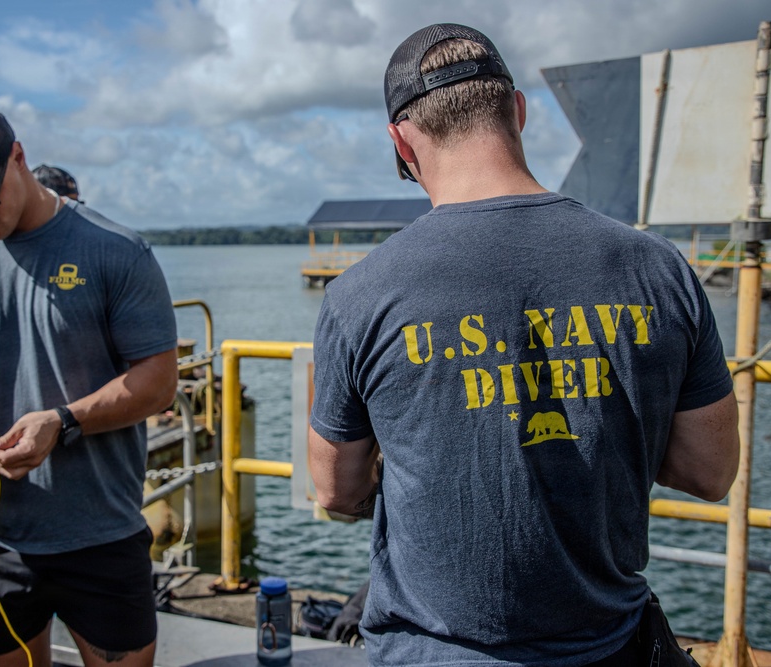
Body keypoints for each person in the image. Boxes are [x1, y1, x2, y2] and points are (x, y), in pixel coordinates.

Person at [307, 23, 740, 667]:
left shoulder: (359, 295)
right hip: (609, 648)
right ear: (519, 111)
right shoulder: (659, 268)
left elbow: (335, 491)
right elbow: (711, 471)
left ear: (400, 143)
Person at [0, 101, 178, 667]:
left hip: (99, 530)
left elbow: (158, 382)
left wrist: (64, 421)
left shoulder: (116, 251)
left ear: (17, 157)